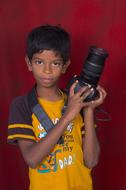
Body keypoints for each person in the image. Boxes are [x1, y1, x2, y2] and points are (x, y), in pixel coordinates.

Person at [8, 24, 107, 190]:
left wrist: (88, 110)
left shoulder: (77, 100)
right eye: (39, 62)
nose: (47, 70)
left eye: (55, 63)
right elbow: (32, 159)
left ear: (65, 66)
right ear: (29, 63)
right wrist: (68, 115)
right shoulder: (22, 105)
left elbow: (91, 161)